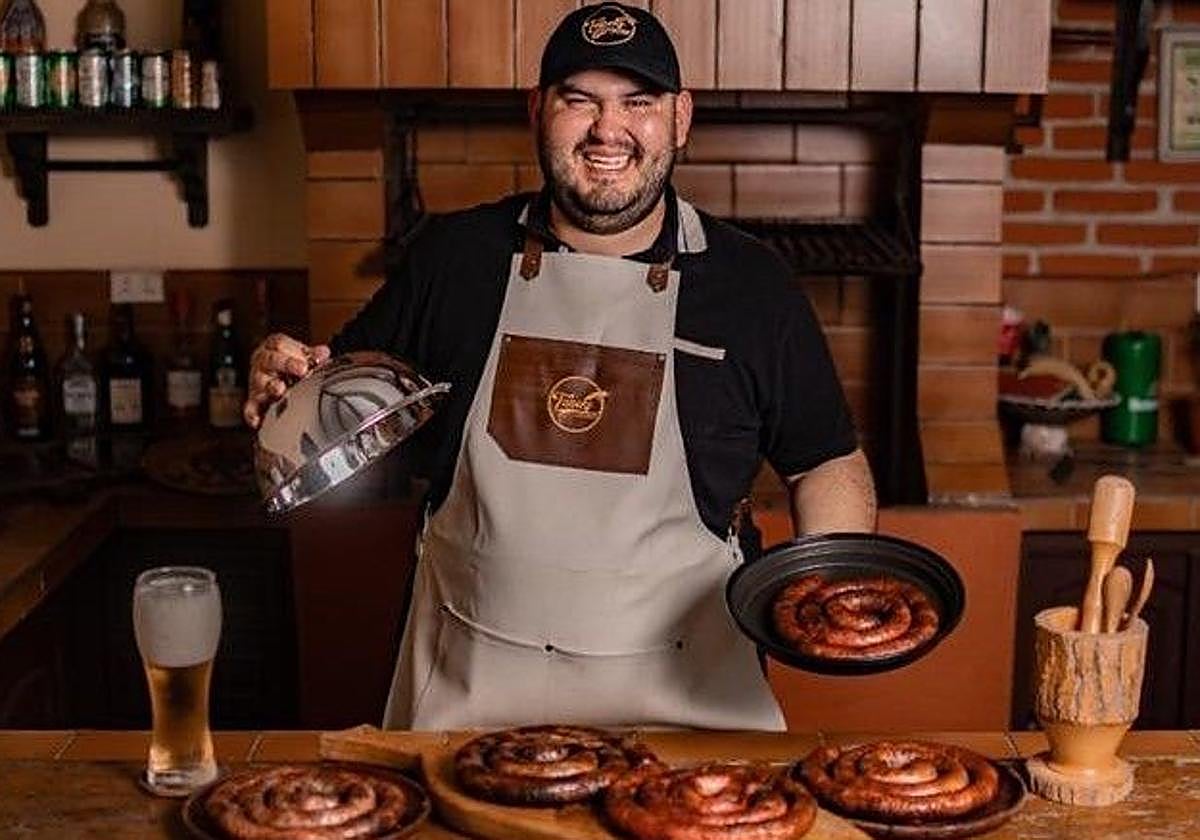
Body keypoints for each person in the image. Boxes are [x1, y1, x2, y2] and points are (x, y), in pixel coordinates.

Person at [245, 2, 876, 731]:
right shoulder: (452, 261)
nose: (609, 130)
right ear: (538, 109)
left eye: (637, 103)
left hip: (693, 713)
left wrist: (830, 590)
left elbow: (824, 460)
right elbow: (338, 410)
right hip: (468, 700)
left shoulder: (752, 286)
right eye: (580, 101)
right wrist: (286, 385)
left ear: (680, 117)